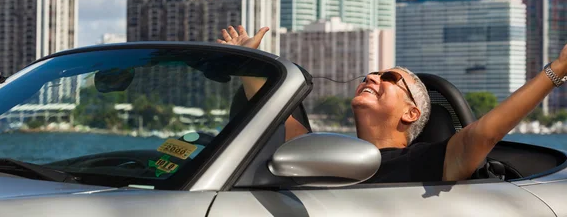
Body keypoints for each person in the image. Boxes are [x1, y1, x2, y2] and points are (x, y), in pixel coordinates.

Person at [218, 25, 567, 183]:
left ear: (411, 113)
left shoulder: (424, 162)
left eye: (389, 78)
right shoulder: (318, 154)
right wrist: (251, 61)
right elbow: (286, 135)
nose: (372, 78)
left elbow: (484, 135)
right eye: (371, 74)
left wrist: (557, 69)